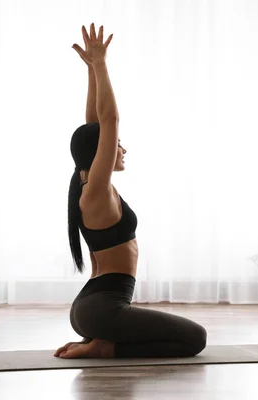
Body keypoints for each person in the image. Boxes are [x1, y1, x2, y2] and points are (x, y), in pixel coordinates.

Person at [54, 23, 207, 359]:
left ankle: (103, 342)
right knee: (196, 339)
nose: (120, 149)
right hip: (101, 309)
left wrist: (92, 72)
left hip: (95, 307)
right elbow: (108, 120)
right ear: (100, 154)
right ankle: (105, 347)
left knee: (188, 338)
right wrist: (102, 63)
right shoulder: (94, 189)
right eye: (116, 145)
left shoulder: (87, 183)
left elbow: (95, 122)